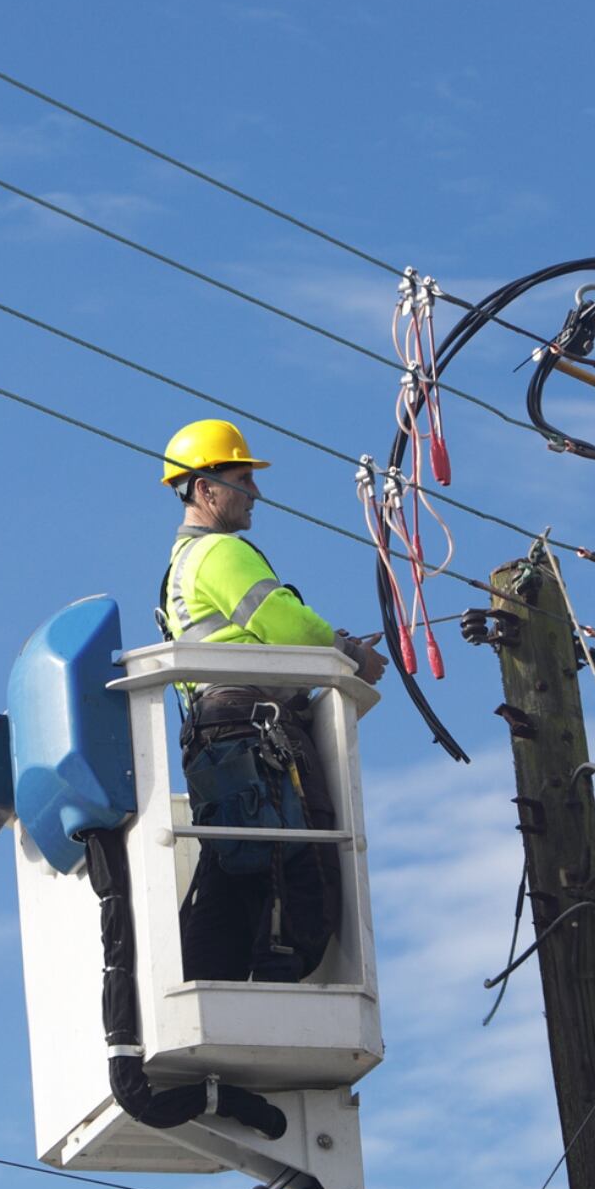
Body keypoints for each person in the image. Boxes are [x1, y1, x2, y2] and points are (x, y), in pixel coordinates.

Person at [154, 418, 387, 983]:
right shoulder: (220, 553)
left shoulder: (180, 566)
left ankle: (217, 999)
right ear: (205, 489)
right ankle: (266, 993)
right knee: (298, 877)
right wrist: (351, 654)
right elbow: (286, 624)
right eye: (242, 479)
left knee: (240, 871)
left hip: (220, 739)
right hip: (255, 733)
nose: (256, 493)